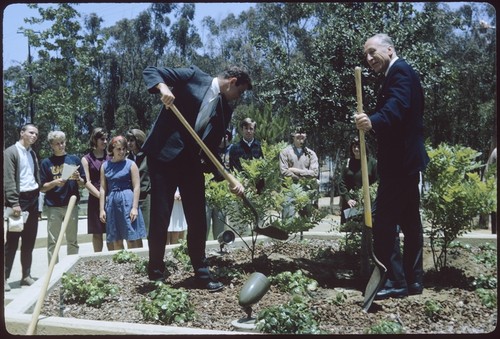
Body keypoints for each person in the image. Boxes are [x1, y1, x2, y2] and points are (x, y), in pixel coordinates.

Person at [142, 64, 251, 291]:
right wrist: (163, 87)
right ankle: (156, 275)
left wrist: (229, 178)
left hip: (191, 163)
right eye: (239, 92)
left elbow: (210, 150)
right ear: (232, 81)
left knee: (198, 219)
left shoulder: (224, 110)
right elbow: (152, 70)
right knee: (161, 217)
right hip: (163, 157)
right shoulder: (193, 77)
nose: (237, 98)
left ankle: (201, 275)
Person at [354, 33, 430, 300]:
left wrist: (372, 120)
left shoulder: (399, 73)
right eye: (366, 54)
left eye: (373, 52)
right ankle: (413, 280)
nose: (369, 58)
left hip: (399, 162)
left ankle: (395, 281)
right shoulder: (400, 72)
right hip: (407, 160)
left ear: (389, 49)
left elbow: (397, 107)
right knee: (410, 221)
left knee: (385, 221)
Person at [4, 123, 41, 291]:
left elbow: (35, 177)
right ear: (22, 133)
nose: (34, 136)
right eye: (31, 132)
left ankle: (26, 275)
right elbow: (8, 179)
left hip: (33, 199)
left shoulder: (32, 153)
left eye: (36, 134)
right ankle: (4, 278)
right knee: (12, 242)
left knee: (29, 240)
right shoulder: (11, 152)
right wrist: (14, 202)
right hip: (19, 201)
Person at [39, 131, 86, 264]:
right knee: (53, 241)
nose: (61, 146)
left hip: (71, 205)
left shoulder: (74, 160)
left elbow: (83, 183)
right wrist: (55, 183)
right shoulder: (46, 163)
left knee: (72, 240)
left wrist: (78, 178)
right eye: (57, 144)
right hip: (53, 206)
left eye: (63, 142)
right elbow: (42, 187)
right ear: (52, 146)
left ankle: (72, 270)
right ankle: (53, 271)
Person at [99, 136, 147, 250]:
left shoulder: (131, 164)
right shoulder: (105, 166)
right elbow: (102, 188)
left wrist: (134, 207)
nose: (122, 152)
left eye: (124, 149)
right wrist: (101, 209)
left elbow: (136, 186)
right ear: (112, 149)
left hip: (128, 202)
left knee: (132, 238)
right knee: (116, 240)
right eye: (118, 149)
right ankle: (121, 264)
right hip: (112, 204)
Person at [279, 127, 320, 219]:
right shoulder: (285, 152)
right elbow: (284, 171)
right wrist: (301, 178)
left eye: (302, 137)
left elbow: (314, 173)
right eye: (298, 137)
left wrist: (296, 170)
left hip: (305, 190)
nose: (300, 140)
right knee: (288, 220)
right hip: (289, 189)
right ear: (293, 136)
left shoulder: (311, 154)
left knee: (305, 221)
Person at [81, 128, 110, 252]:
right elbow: (86, 182)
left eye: (106, 139)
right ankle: (98, 258)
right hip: (95, 199)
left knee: (111, 232)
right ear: (95, 140)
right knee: (97, 233)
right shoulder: (86, 159)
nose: (105, 141)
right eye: (102, 139)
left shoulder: (110, 157)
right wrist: (100, 196)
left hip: (110, 198)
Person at [338, 137, 378, 224]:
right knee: (348, 228)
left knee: (365, 228)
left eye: (359, 146)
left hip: (367, 202)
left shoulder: (372, 162)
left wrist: (366, 197)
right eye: (354, 146)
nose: (356, 149)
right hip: (350, 203)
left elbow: (377, 182)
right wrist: (348, 199)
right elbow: (341, 182)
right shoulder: (347, 162)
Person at [126, 128, 151, 234]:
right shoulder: (127, 158)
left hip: (147, 196)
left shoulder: (148, 156)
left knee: (149, 229)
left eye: (132, 140)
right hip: (131, 198)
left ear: (138, 140)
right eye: (128, 140)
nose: (129, 143)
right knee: (133, 231)